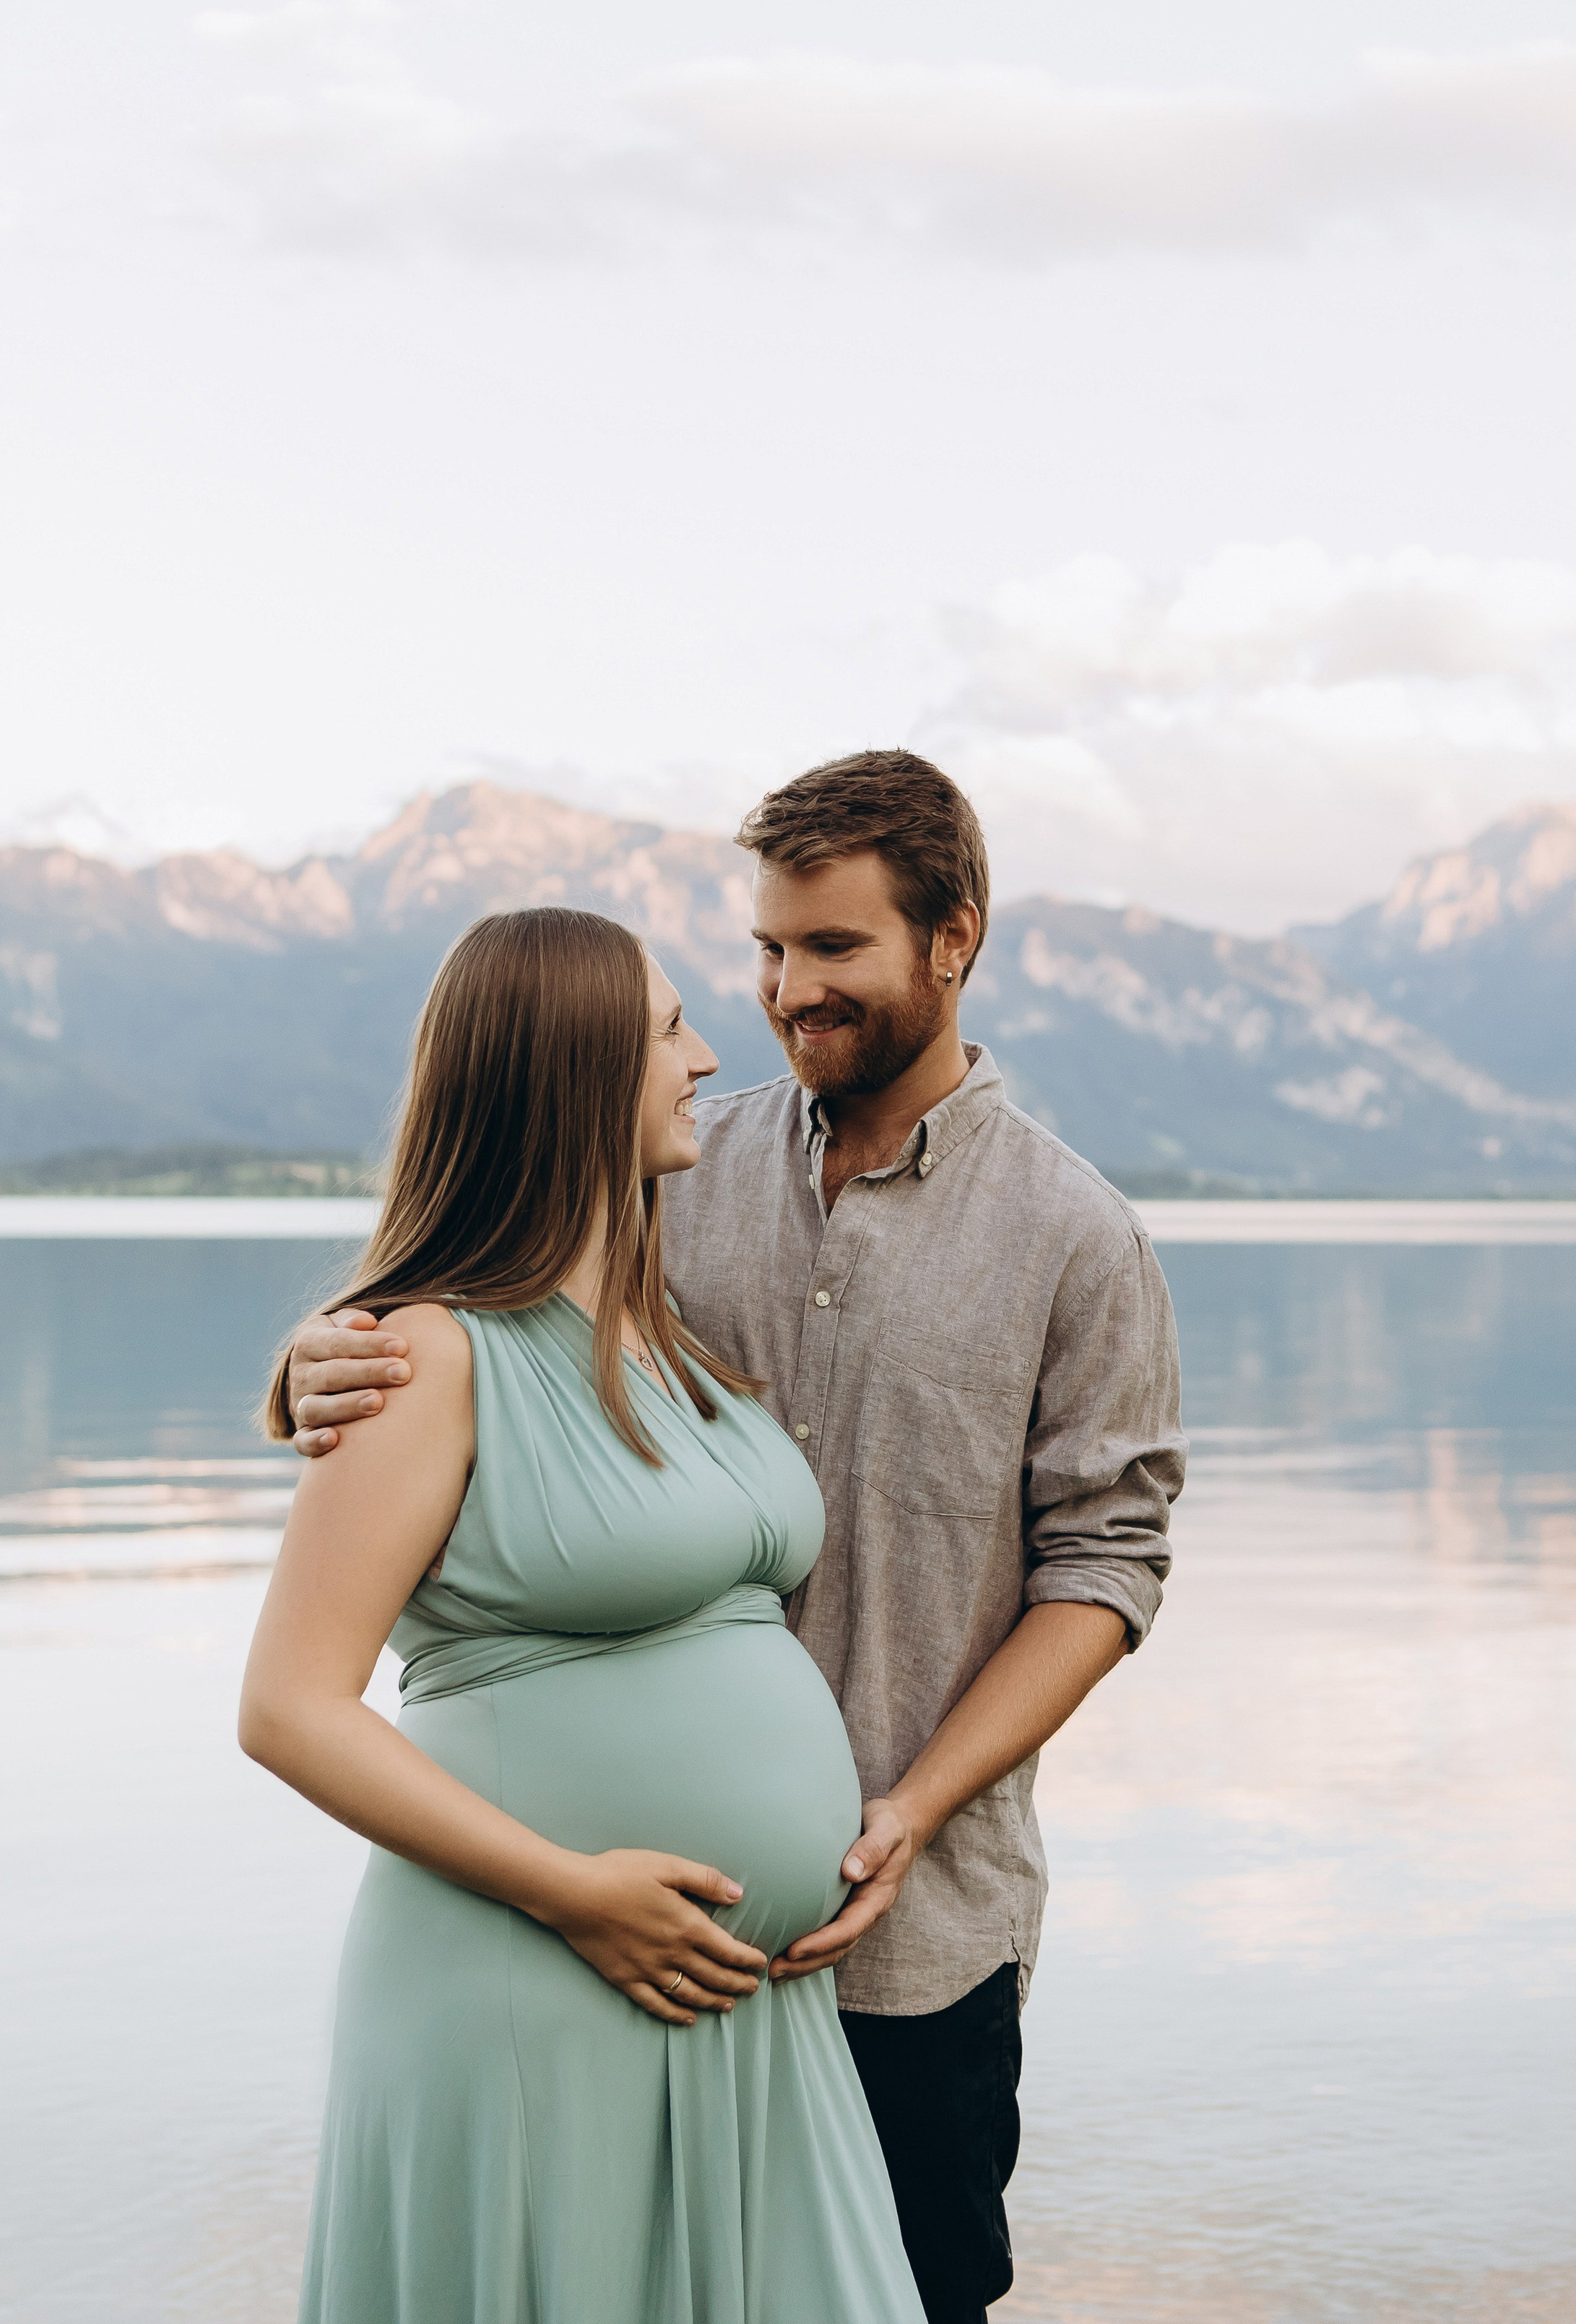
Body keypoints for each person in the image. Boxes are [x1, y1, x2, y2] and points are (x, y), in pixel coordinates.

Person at [290, 751, 1185, 2324]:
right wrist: (313, 1365)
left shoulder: (1076, 1237)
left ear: (950, 940)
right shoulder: (669, 1187)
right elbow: (476, 1298)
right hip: (607, 1944)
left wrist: (910, 1803)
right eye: (766, 951)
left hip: (913, 1941)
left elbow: (1105, 1569)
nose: (782, 993)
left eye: (831, 950)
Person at [242, 904, 925, 2324]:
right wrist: (572, 1893)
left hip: (746, 2013)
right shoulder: (425, 1356)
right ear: (570, 1071)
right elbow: (290, 1710)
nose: (707, 1055)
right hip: (537, 1975)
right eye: (670, 1030)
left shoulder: (667, 1335)